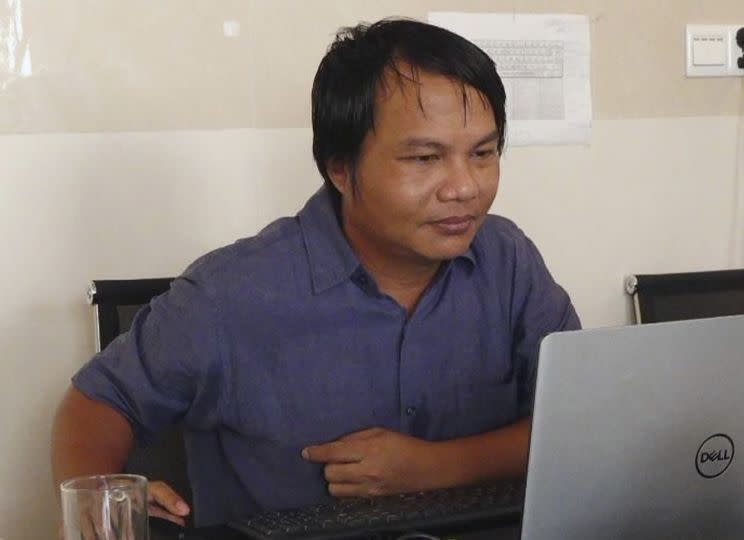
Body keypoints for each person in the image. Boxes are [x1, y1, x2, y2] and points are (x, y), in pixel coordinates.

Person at [51, 18, 579, 527]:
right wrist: (102, 501)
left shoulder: (508, 261)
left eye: (483, 153)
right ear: (340, 168)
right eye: (425, 158)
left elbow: (579, 420)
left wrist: (438, 466)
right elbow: (98, 402)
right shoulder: (231, 292)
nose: (464, 187)